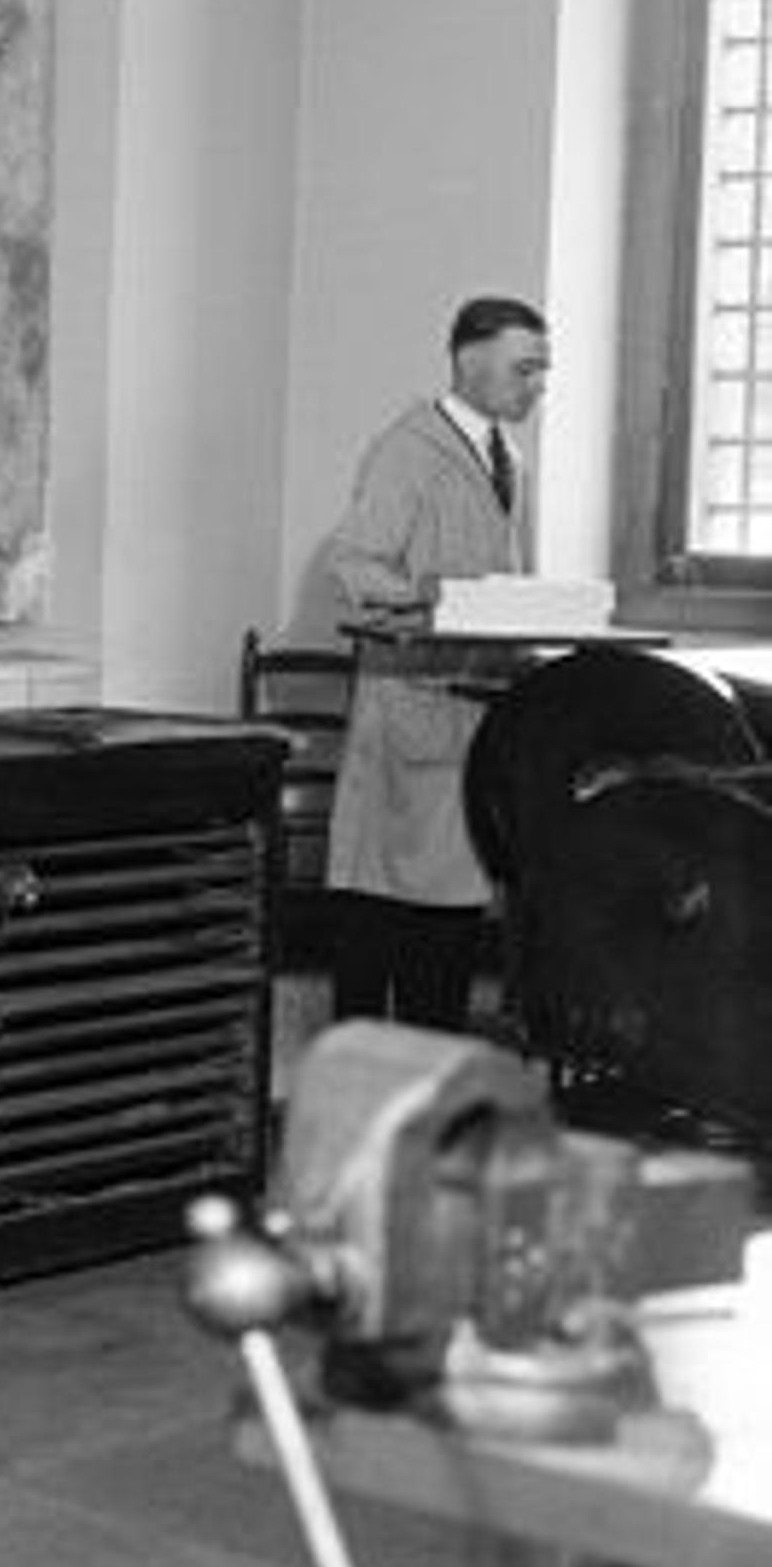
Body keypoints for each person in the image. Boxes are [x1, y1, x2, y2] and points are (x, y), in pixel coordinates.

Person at [325, 295, 549, 1029]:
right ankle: (368, 1061)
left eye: (541, 370)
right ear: (468, 361)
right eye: (524, 369)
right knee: (387, 900)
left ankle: (430, 1059)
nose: (536, 385)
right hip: (412, 707)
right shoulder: (407, 451)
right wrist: (435, 597)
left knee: (451, 908)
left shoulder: (509, 460)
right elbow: (353, 566)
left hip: (475, 711)